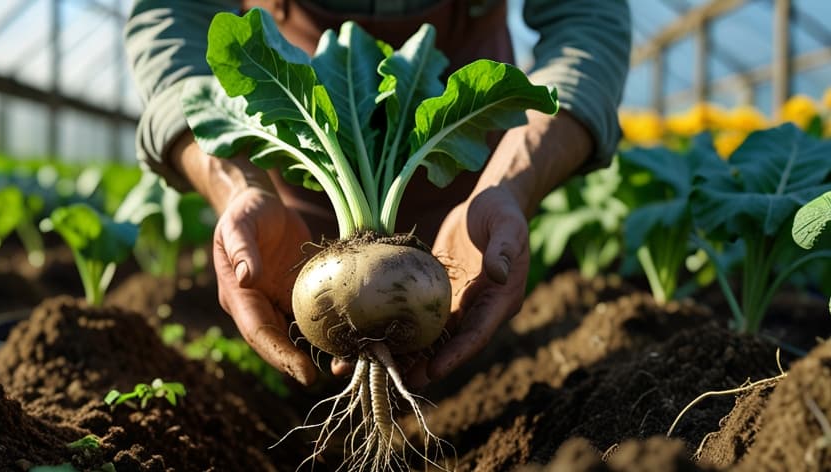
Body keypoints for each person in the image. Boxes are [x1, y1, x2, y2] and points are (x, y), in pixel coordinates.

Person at [124, 0, 631, 388]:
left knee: (458, 366)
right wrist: (237, 186)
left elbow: (587, 20)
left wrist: (510, 185)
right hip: (290, 231)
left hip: (473, 197)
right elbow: (172, 20)